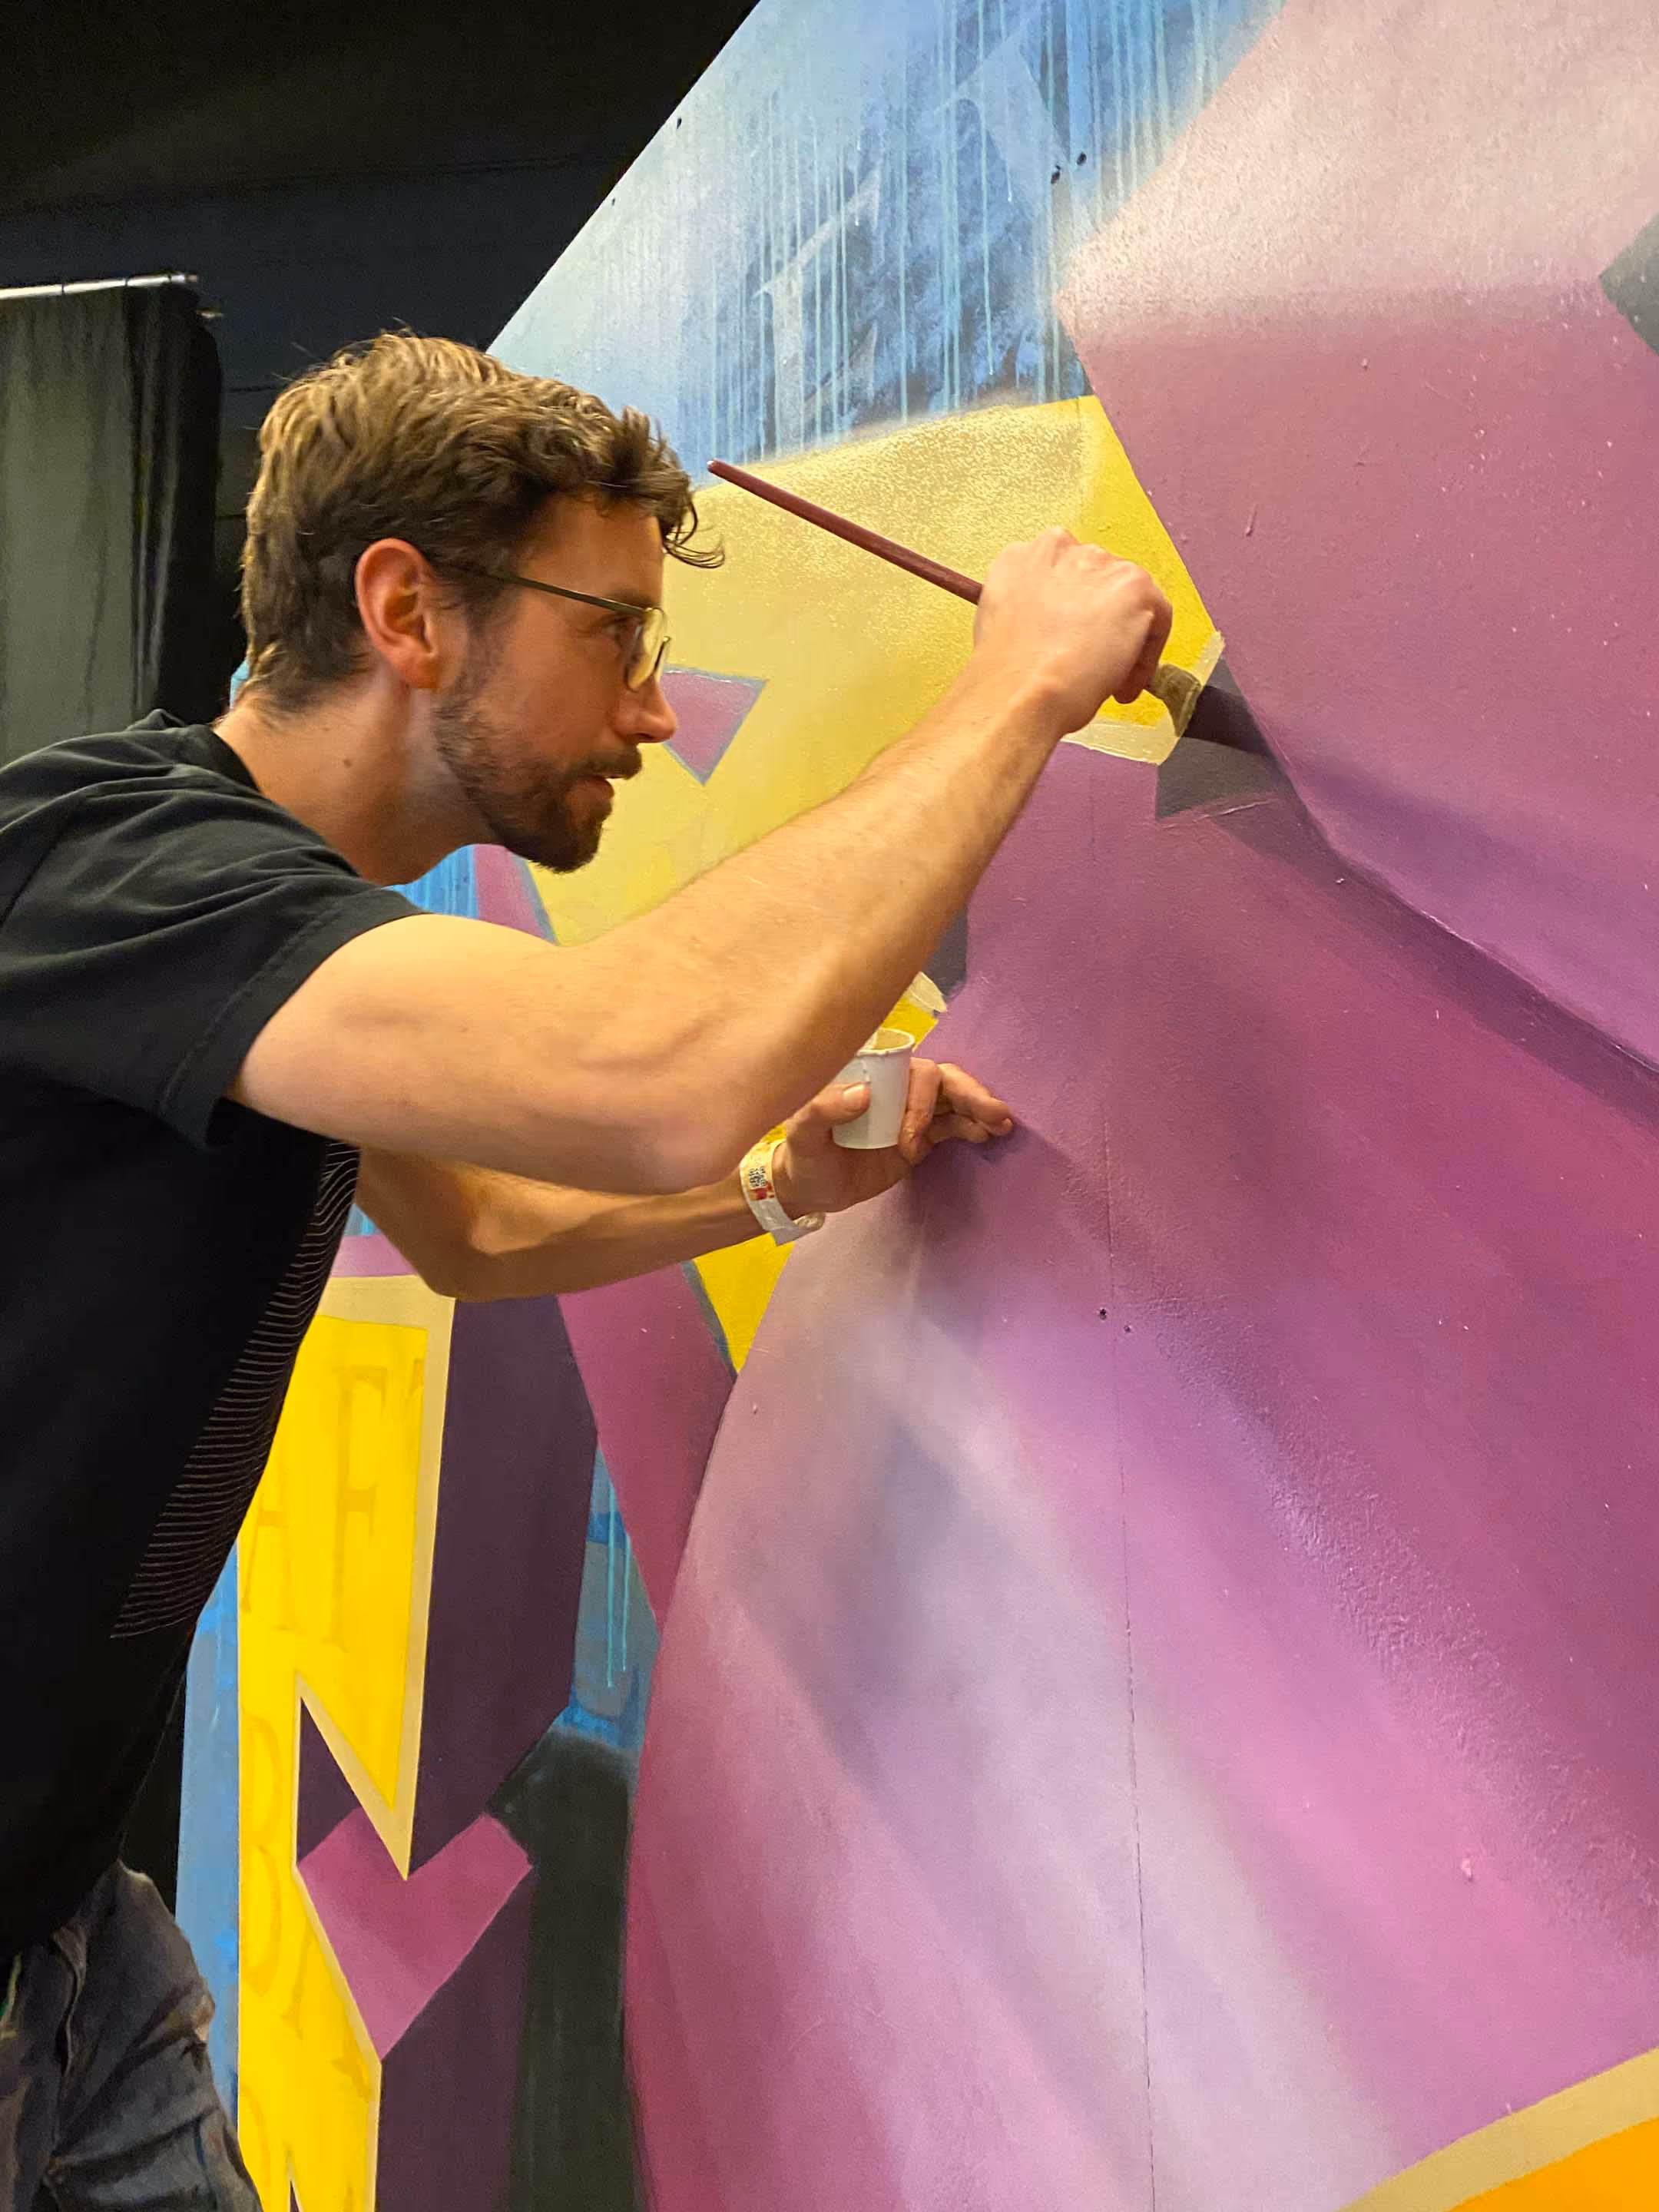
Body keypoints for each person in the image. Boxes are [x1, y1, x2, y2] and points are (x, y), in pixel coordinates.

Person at [0, 331, 1171, 2201]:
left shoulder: (267, 933)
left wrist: (780, 1192)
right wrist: (1014, 688)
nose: (648, 710)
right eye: (612, 632)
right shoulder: (114, 866)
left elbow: (475, 1227)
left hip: (63, 1921)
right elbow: (645, 1074)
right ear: (408, 612)